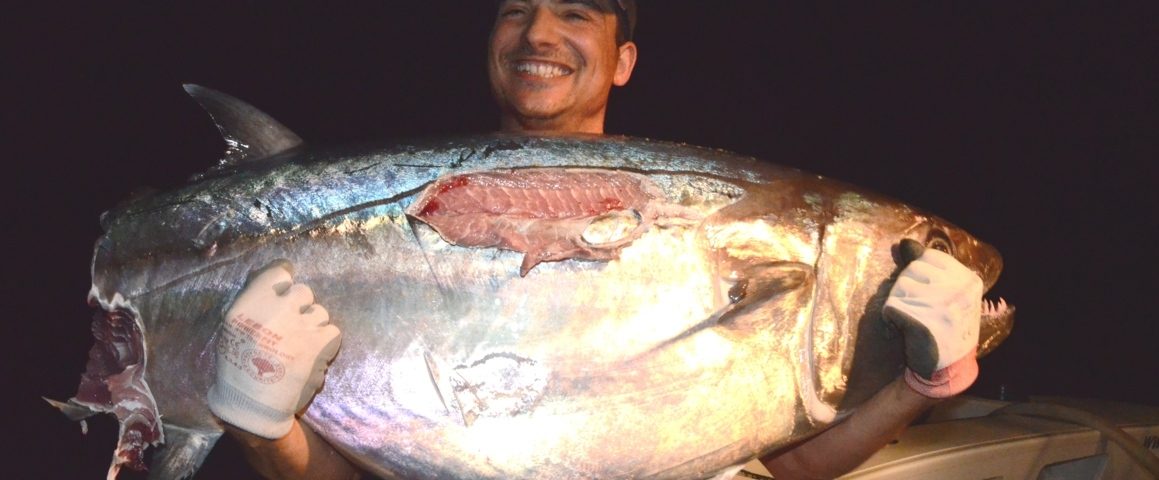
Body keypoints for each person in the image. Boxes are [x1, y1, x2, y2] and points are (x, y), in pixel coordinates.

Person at [207, 1, 984, 479]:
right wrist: (261, 422)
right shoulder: (378, 213)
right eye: (515, 8)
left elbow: (787, 469)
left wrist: (918, 388)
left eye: (577, 11)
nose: (538, 30)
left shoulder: (712, 220)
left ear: (624, 60)